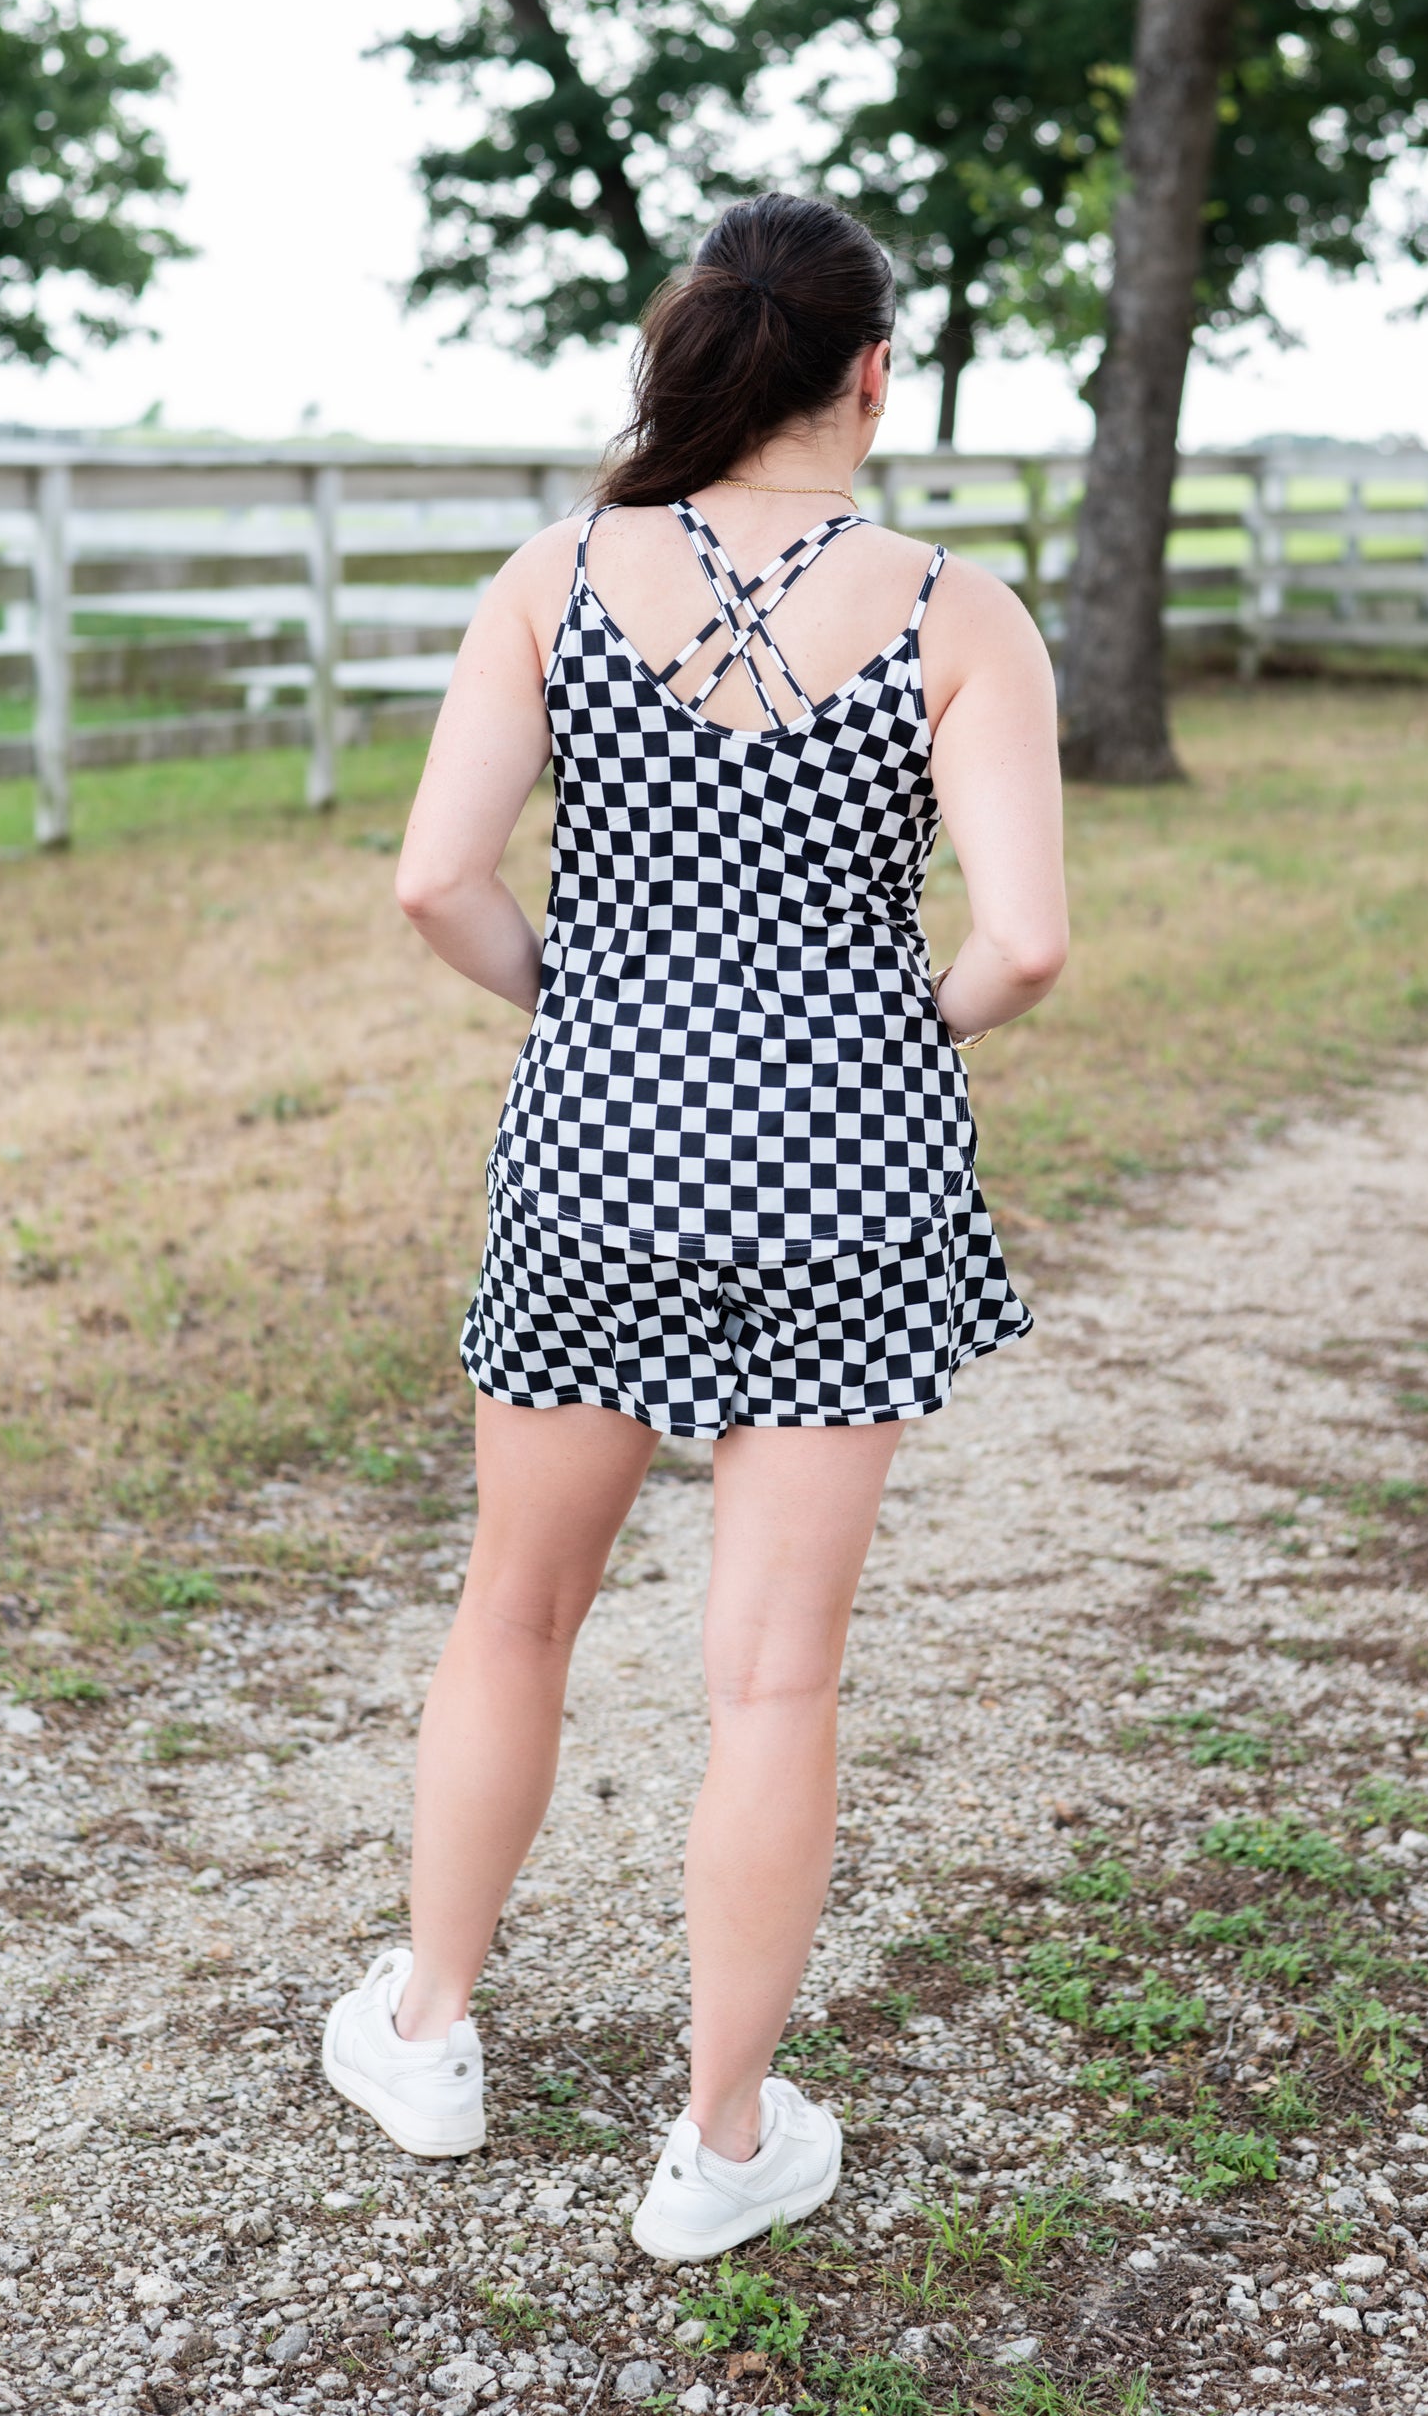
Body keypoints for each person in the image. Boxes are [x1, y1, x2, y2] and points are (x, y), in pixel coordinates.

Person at [320, 192, 1067, 2261]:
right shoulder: (959, 612)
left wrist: (599, 1003)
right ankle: (720, 2140)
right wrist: (863, 1026)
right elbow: (1022, 942)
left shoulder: (555, 577)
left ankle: (428, 2027)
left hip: (597, 1148)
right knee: (772, 1681)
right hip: (846, 1168)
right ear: (871, 373)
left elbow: (436, 880)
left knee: (515, 1608)